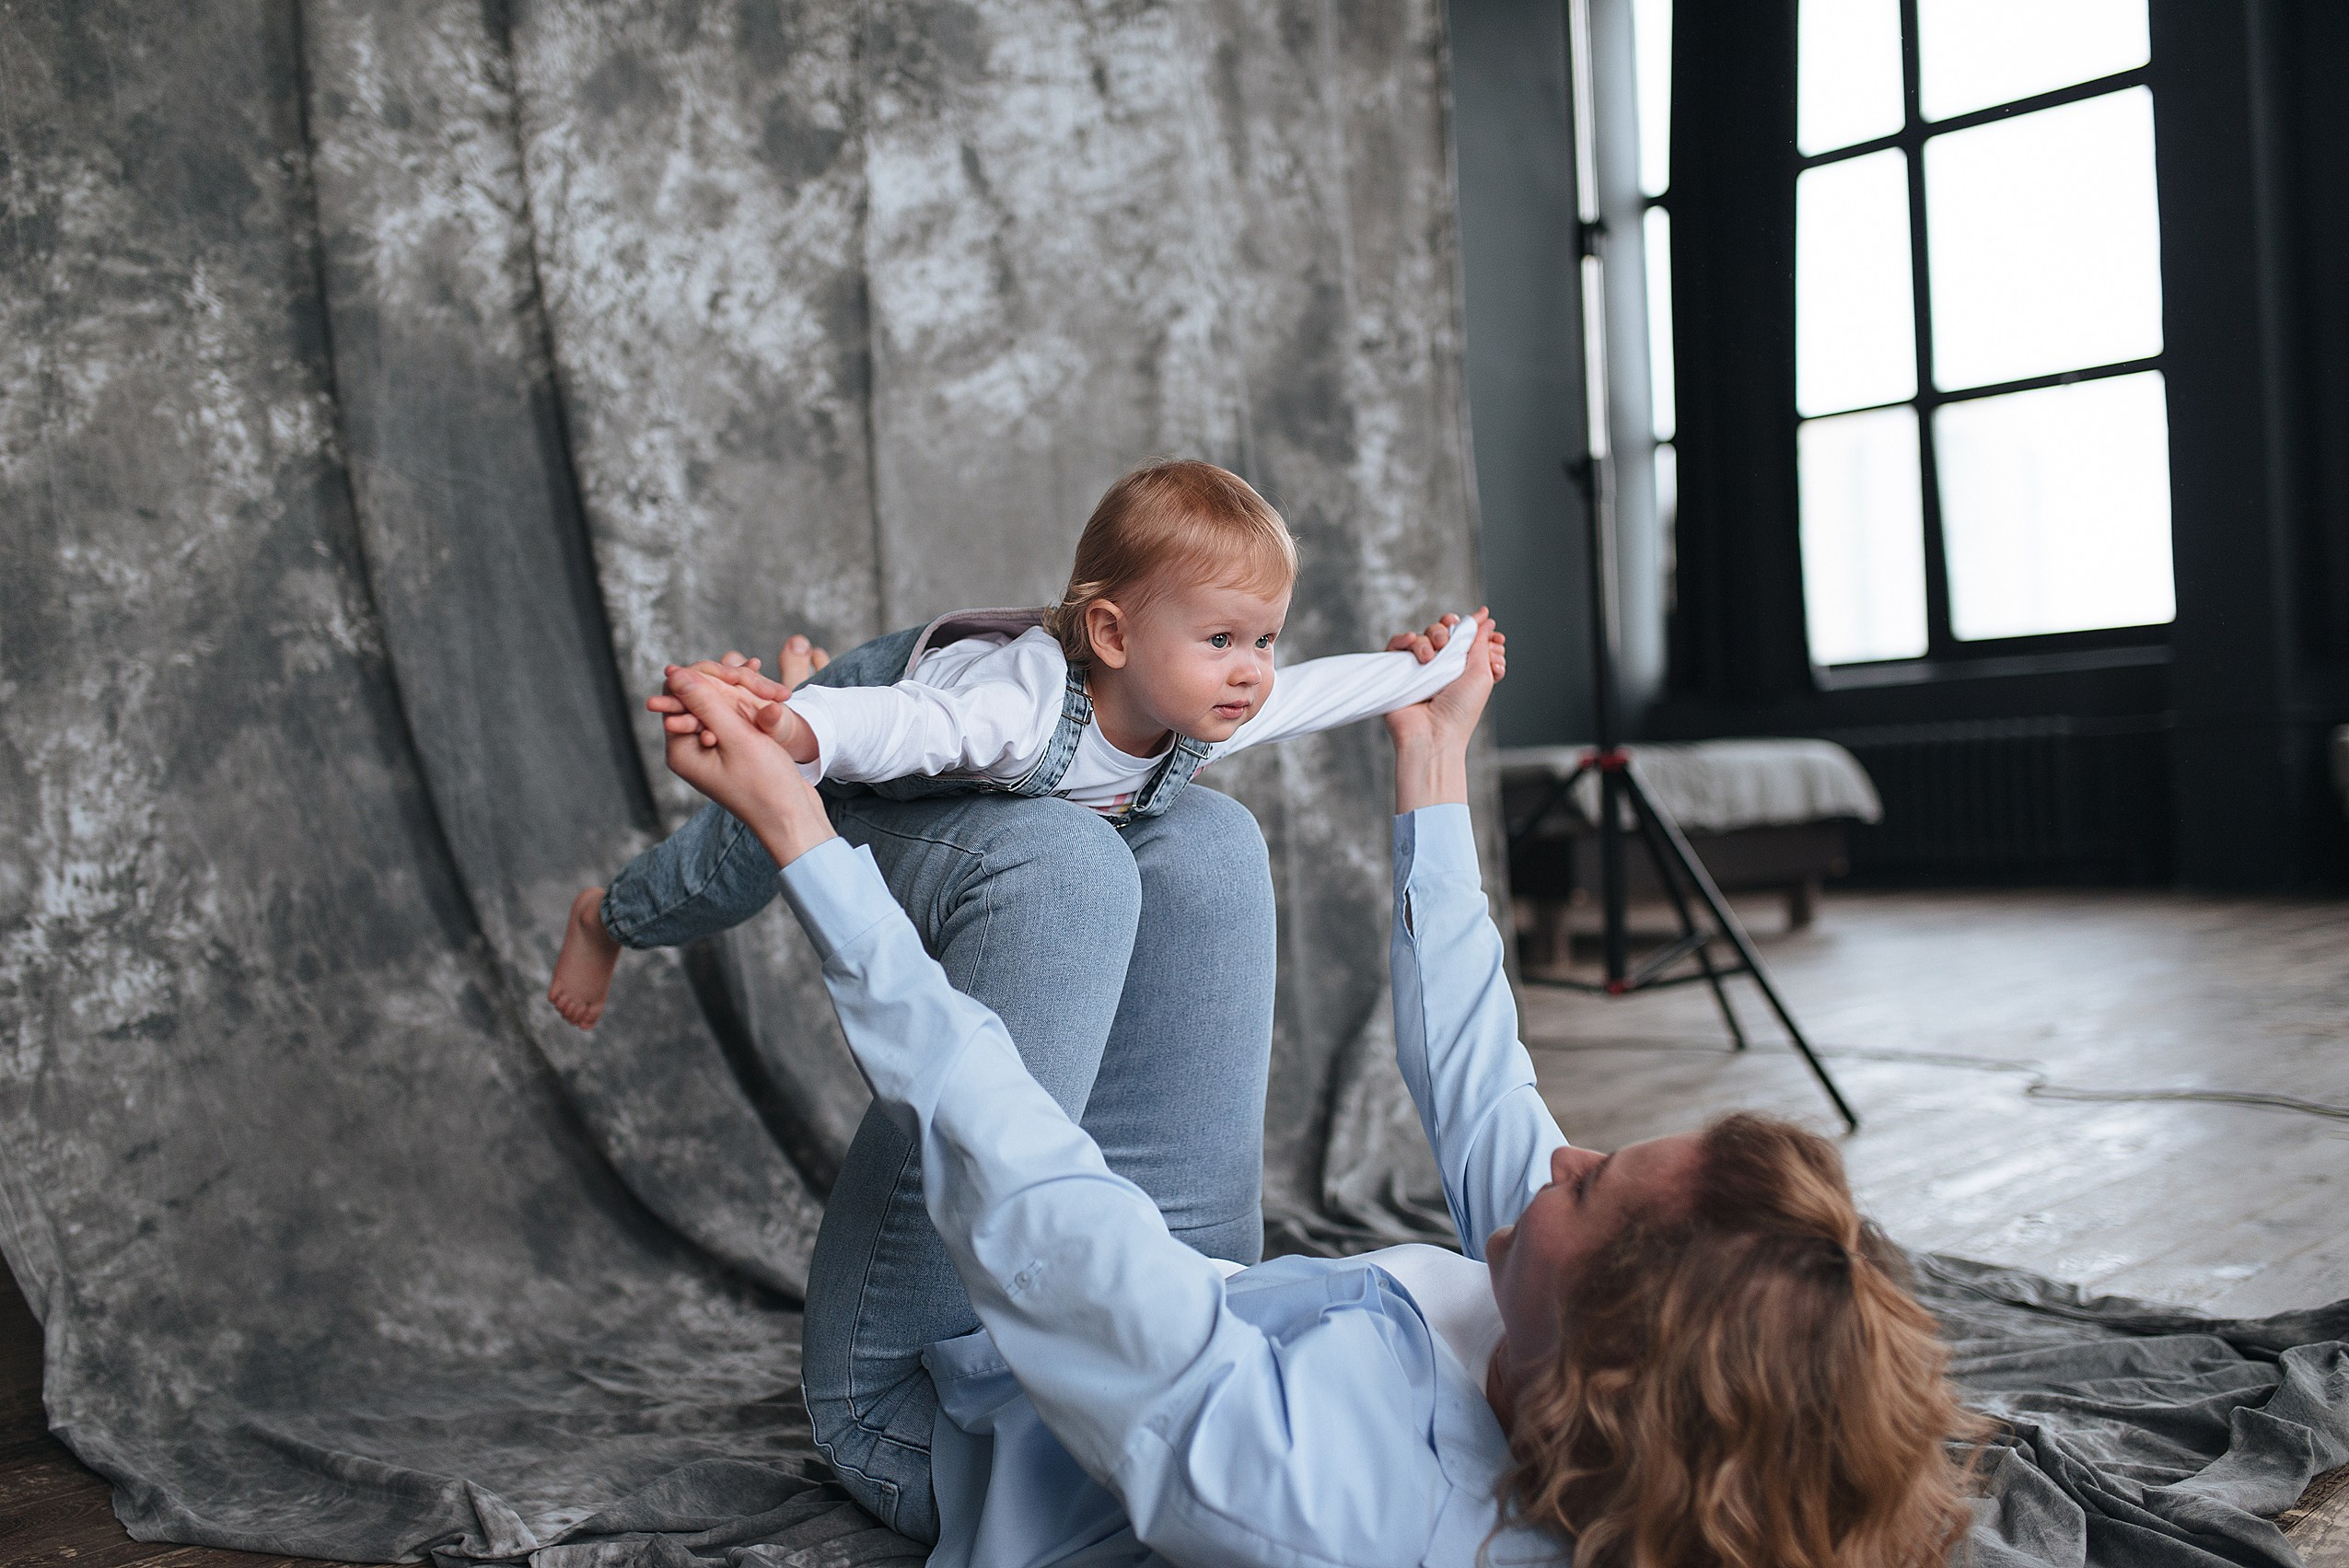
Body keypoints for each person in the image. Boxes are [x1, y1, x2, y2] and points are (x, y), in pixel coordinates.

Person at [652, 617, 1983, 1568]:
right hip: (1205, 1297)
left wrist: (800, 832)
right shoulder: (1571, 1358)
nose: (1568, 1159)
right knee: (1205, 841)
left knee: (1062, 872)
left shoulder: (1319, 1503)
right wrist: (1430, 761)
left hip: (944, 1400)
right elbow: (1483, 1085)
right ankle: (845, 731)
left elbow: (1019, 1176)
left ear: (1604, 1360)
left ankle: (809, 740)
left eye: (1591, 1190)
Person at [547, 459, 1488, 1032]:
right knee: (735, 867)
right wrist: (797, 729)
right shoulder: (1023, 709)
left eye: (1264, 640)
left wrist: (1433, 667)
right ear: (1112, 636)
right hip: (900, 705)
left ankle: (815, 686)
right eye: (1219, 639)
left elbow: (1317, 692)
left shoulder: (1203, 708)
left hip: (923, 732)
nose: (1251, 671)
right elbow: (917, 728)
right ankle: (610, 916)